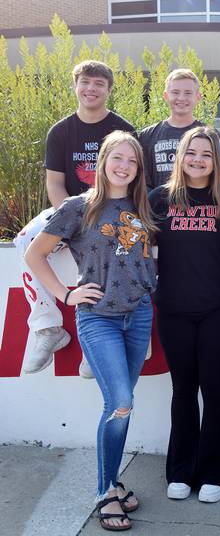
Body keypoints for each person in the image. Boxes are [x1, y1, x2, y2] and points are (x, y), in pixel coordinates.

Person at [24, 131, 157, 532]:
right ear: (103, 161)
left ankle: (113, 481)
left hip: (140, 315)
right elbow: (34, 253)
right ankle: (105, 492)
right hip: (98, 316)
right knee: (118, 401)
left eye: (131, 161)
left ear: (138, 168)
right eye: (117, 158)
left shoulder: (143, 205)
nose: (124, 166)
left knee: (124, 404)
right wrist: (66, 295)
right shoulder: (78, 206)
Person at [14, 60, 134, 378]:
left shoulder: (121, 130)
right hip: (70, 207)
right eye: (86, 82)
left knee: (109, 246)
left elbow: (132, 179)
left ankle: (96, 343)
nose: (91, 89)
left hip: (112, 207)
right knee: (25, 239)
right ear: (75, 86)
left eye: (99, 84)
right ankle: (48, 325)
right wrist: (68, 222)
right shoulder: (60, 131)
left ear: (109, 90)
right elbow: (54, 183)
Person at [148, 127, 220, 504]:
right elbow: (143, 246)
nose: (198, 160)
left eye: (206, 154)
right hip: (173, 309)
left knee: (214, 390)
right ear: (181, 156)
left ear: (216, 160)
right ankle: (179, 470)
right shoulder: (160, 198)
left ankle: (214, 472)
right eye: (192, 152)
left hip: (219, 310)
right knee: (183, 391)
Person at [139, 68, 203, 190]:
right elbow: (143, 181)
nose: (181, 98)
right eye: (175, 92)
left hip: (197, 207)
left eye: (188, 93)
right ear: (166, 96)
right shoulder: (147, 135)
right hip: (157, 207)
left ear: (198, 96)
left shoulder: (210, 135)